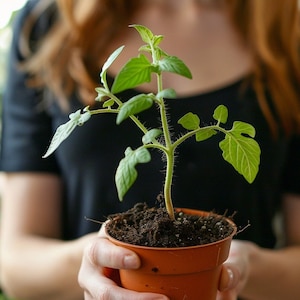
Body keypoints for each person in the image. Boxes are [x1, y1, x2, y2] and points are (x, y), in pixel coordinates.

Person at [0, 0, 300, 299]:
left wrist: (246, 267)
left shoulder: (287, 30)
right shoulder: (47, 23)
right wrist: (96, 259)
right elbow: (15, 266)